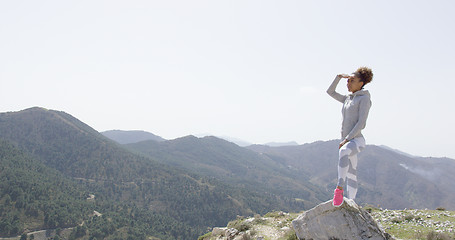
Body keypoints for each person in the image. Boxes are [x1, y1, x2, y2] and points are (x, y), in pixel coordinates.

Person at [326, 66, 373, 207]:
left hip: (357, 140)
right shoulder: (348, 98)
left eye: (352, 80)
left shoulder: (364, 99)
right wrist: (339, 77)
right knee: (352, 173)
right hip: (347, 140)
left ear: (361, 83)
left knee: (343, 151)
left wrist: (347, 139)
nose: (349, 83)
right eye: (348, 80)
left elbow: (361, 123)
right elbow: (330, 92)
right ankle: (352, 202)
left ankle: (339, 189)